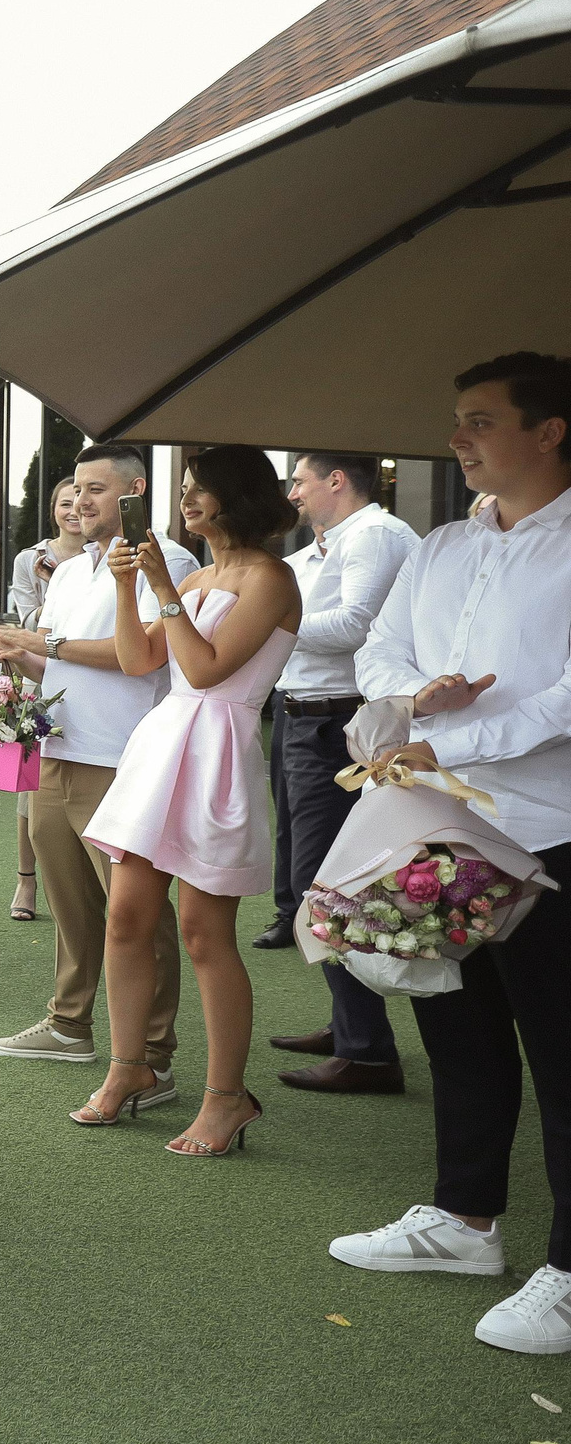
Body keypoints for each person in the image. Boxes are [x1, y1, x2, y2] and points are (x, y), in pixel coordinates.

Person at [332, 351, 571, 1357]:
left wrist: (455, 741)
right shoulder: (439, 544)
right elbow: (378, 648)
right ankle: (465, 1220)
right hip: (436, 822)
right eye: (458, 421)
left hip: (548, 827)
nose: (457, 439)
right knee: (456, 1023)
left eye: (479, 421)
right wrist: (411, 699)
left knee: (561, 1049)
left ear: (549, 430)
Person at [69, 446, 300, 1155]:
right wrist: (125, 587)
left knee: (203, 932)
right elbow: (139, 660)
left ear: (238, 497)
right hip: (163, 747)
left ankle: (227, 1098)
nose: (186, 500)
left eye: (200, 489)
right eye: (185, 489)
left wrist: (162, 584)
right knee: (125, 917)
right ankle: (128, 1067)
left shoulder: (271, 578)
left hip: (219, 752)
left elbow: (203, 670)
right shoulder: (199, 576)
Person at [0, 445, 202, 1086]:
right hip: (57, 747)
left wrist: (41, 642)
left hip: (123, 756)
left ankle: (153, 1052)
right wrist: (11, 652)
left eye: (96, 489)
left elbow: (143, 656)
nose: (80, 501)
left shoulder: (168, 560)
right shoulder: (70, 571)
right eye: (76, 489)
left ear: (135, 490)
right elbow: (52, 661)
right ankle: (69, 1024)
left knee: (138, 913)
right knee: (69, 902)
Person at [261, 452, 419, 1094]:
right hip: (306, 717)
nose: (291, 493)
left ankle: (368, 1051)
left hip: (340, 723)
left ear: (336, 480)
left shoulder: (376, 534)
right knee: (316, 875)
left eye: (299, 480)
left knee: (327, 881)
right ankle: (353, 1026)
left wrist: (269, 619)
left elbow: (359, 625)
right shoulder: (326, 545)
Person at [5, 478, 81, 922]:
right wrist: (54, 586)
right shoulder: (30, 560)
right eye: (65, 503)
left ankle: (77, 882)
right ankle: (26, 880)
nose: (74, 510)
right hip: (41, 676)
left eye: (80, 501)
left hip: (92, 674)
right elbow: (29, 623)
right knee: (30, 786)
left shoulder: (110, 556)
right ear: (53, 509)